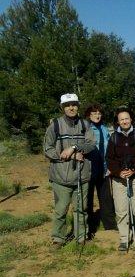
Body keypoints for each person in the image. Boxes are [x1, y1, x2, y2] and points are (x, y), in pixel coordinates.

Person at [43, 93, 96, 248]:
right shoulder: (55, 125)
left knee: (81, 209)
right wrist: (67, 156)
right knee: (61, 210)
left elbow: (91, 144)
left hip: (82, 174)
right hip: (61, 177)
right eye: (67, 105)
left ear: (77, 106)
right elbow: (47, 149)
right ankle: (58, 239)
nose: (71, 108)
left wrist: (75, 148)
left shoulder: (85, 125)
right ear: (62, 107)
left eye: (74, 104)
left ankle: (81, 237)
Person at [106, 107, 135, 251]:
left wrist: (134, 170)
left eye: (126, 118)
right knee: (121, 211)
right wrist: (119, 172)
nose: (124, 121)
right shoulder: (113, 138)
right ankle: (124, 239)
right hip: (119, 180)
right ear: (118, 122)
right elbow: (110, 159)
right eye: (121, 119)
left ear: (131, 119)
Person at [84, 104, 117, 235]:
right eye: (94, 113)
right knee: (89, 198)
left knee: (106, 198)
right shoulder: (86, 128)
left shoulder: (104, 129)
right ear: (88, 115)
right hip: (90, 168)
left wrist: (109, 166)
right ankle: (90, 226)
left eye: (99, 113)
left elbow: (109, 149)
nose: (97, 115)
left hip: (104, 168)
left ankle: (109, 225)